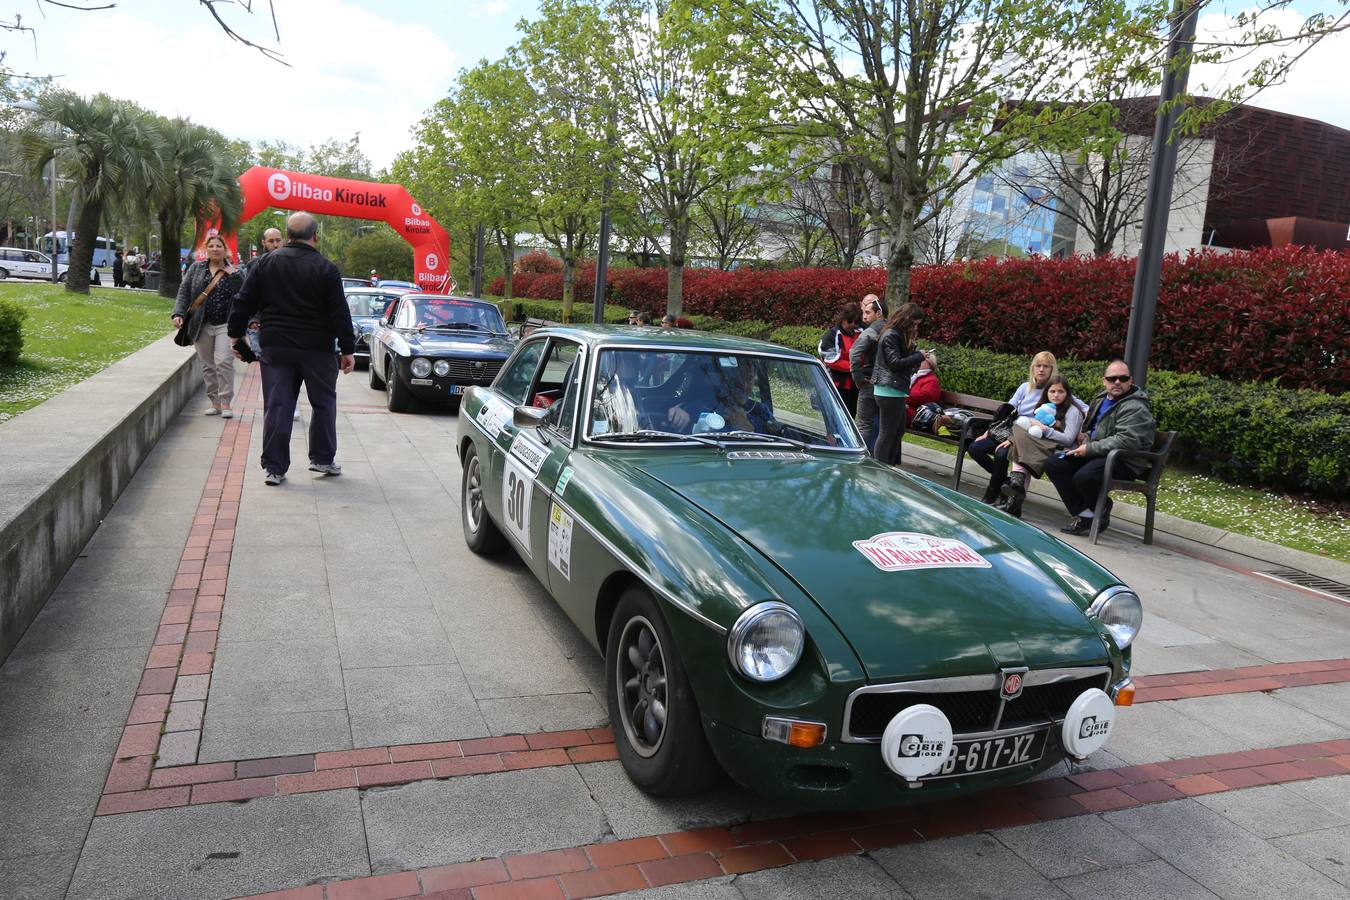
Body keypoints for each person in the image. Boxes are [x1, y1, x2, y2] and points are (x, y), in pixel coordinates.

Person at [228, 212, 357, 486]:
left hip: (277, 345)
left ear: (287, 236)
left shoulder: (265, 263)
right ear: (315, 235)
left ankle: (275, 468)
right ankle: (322, 459)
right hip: (318, 348)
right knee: (323, 403)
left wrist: (235, 335)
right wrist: (347, 349)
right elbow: (340, 313)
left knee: (278, 405)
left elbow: (243, 300)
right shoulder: (326, 267)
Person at [1044, 360, 1157, 535]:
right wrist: (1083, 444)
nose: (1117, 382)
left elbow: (1127, 440)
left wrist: (1088, 449)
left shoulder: (1136, 407)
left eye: (1123, 378)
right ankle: (1085, 514)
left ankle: (1102, 506)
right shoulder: (1101, 399)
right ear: (1104, 381)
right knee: (1054, 463)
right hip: (1098, 455)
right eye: (1112, 379)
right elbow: (1092, 429)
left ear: (1130, 380)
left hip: (1123, 460)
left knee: (1085, 476)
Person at [970, 351, 1057, 504]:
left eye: (1046, 366)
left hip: (1027, 437)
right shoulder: (1025, 387)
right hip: (1007, 430)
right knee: (975, 448)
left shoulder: (1053, 391)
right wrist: (988, 431)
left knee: (1002, 454)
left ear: (1052, 369)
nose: (1041, 369)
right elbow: (1008, 410)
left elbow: (1077, 404)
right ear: (1033, 368)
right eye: (1038, 365)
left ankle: (993, 490)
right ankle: (1006, 482)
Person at [172, 235, 242, 418]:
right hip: (201, 324)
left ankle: (226, 402)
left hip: (225, 324)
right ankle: (215, 402)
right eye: (211, 246)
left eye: (219, 246)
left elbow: (243, 295)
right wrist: (178, 313)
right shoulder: (196, 268)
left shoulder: (235, 271)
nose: (215, 249)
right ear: (206, 249)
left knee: (224, 362)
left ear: (225, 249)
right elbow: (184, 291)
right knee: (208, 365)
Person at [997, 375, 1084, 518]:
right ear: (1047, 393)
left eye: (1060, 392)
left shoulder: (1072, 411)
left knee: (1021, 446)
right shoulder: (1044, 407)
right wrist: (1014, 438)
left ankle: (1014, 497)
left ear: (1067, 393)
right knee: (1019, 428)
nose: (1056, 395)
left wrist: (1045, 429)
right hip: (1039, 445)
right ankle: (1015, 494)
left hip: (1060, 449)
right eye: (1052, 391)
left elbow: (1068, 440)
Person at [241, 228, 299, 420]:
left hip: (290, 324)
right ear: (264, 243)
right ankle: (275, 406)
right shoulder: (255, 265)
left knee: (290, 368)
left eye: (278, 240)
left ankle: (290, 403)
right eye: (271, 241)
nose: (275, 244)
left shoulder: (293, 262)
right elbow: (250, 295)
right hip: (265, 325)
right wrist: (252, 320)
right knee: (272, 370)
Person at [871, 303, 927, 465]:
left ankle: (888, 464)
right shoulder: (890, 335)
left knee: (897, 431)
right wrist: (918, 356)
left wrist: (915, 353)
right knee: (888, 433)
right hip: (888, 390)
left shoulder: (897, 335)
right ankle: (880, 466)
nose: (916, 327)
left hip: (894, 390)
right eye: (915, 323)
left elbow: (901, 361)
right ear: (908, 320)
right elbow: (895, 363)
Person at [849, 294, 886, 454]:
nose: (864, 316)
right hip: (888, 387)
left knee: (864, 425)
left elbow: (854, 353)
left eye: (868, 312)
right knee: (882, 426)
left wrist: (857, 378)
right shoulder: (894, 330)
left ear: (879, 313)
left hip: (870, 382)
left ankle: (859, 458)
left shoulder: (871, 331)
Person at [818, 303, 862, 416]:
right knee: (835, 416)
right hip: (837, 384)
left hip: (855, 385)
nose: (853, 325)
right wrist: (855, 367)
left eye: (855, 322)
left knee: (850, 416)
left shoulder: (860, 333)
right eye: (850, 321)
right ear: (842, 319)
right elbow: (832, 360)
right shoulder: (832, 335)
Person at [905, 350, 941, 428]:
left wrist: (903, 396)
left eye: (921, 360)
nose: (917, 362)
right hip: (906, 409)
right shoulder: (915, 376)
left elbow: (925, 396)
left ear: (929, 364)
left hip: (917, 415)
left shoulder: (932, 380)